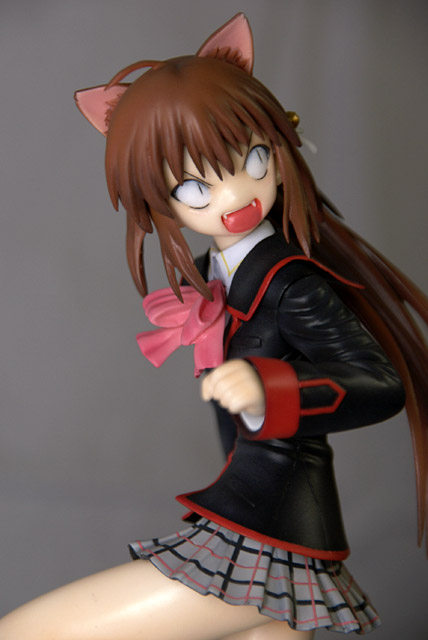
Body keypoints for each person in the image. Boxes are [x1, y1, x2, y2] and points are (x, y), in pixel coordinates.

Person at [1, 13, 427, 640]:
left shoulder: (289, 282)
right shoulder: (212, 277)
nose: (234, 197)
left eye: (253, 158)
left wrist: (270, 388)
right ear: (157, 202)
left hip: (274, 529)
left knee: (30, 631)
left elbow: (380, 383)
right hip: (252, 516)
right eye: (197, 188)